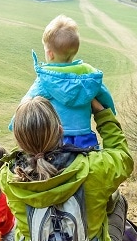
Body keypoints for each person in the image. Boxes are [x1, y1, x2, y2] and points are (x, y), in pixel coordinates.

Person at [0, 96, 132, 241]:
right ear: (61, 130)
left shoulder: (8, 177)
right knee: (116, 200)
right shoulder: (93, 168)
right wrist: (102, 114)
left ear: (18, 139)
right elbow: (123, 157)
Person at [11, 14, 115, 149]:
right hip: (85, 138)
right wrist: (110, 113)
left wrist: (15, 123)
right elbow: (104, 95)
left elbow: (26, 104)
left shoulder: (46, 78)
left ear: (50, 54)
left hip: (55, 138)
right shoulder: (88, 75)